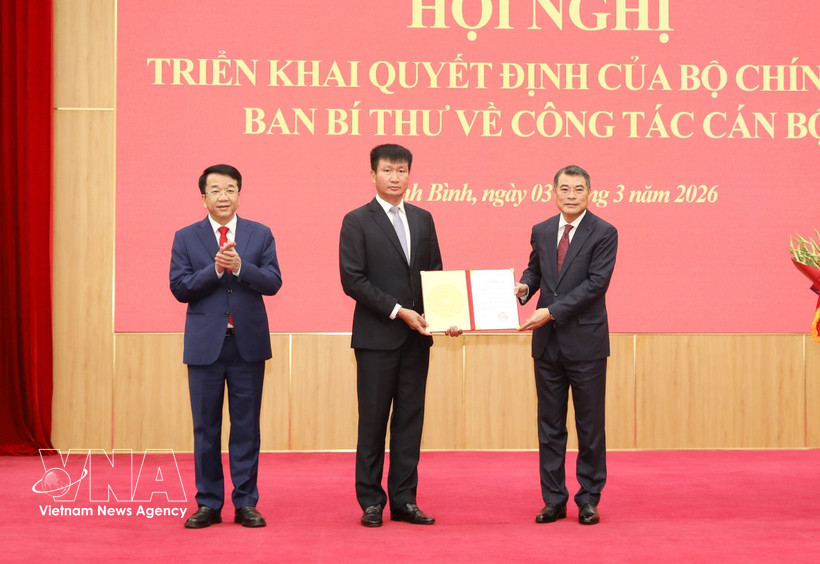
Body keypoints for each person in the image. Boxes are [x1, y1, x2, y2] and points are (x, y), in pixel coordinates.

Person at [339, 144, 461, 528]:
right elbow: (353, 279)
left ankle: (405, 500)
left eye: (402, 170)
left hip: (416, 339)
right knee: (373, 421)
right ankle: (371, 501)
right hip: (377, 337)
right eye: (388, 170)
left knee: (410, 421)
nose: (396, 177)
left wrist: (446, 317)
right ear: (373, 174)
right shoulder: (357, 220)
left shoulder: (423, 219)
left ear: (410, 175)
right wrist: (397, 310)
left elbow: (436, 275)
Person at [170, 164, 282, 529]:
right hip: (206, 348)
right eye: (215, 190)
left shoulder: (260, 234)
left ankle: (246, 502)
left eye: (230, 189)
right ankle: (208, 503)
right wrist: (215, 270)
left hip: (246, 346)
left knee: (247, 427)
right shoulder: (186, 237)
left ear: (239, 193)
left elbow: (273, 282)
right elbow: (180, 288)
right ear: (203, 196)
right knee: (205, 428)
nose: (223, 196)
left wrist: (241, 266)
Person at [514, 164, 617, 526]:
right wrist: (526, 288)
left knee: (590, 427)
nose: (571, 196)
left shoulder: (604, 232)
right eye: (564, 190)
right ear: (553, 192)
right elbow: (535, 272)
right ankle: (554, 499)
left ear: (590, 193)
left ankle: (588, 498)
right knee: (550, 426)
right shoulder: (541, 231)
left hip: (586, 342)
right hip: (548, 346)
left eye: (578, 190)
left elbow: (595, 285)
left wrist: (551, 312)